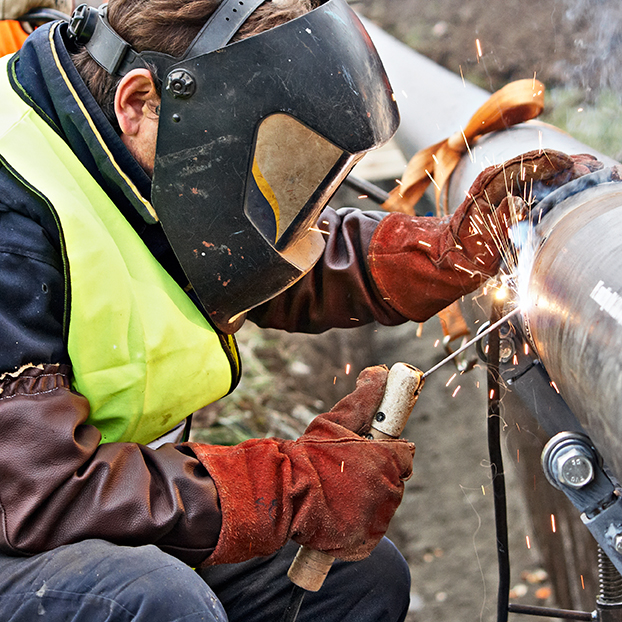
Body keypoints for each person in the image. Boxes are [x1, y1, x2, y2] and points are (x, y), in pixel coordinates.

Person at [0, 0, 595, 620]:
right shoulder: (12, 207)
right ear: (139, 102)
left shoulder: (121, 148)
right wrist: (287, 488)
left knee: (358, 579)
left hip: (72, 509)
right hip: (26, 517)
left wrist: (439, 251)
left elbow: (244, 243)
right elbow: (39, 494)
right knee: (155, 603)